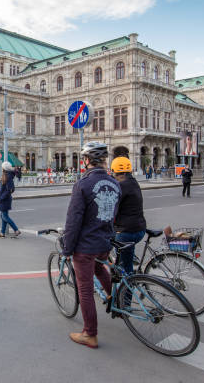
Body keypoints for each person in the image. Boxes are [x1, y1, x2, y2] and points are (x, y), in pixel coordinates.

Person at [62, 142, 121, 349]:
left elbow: (73, 220)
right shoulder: (115, 183)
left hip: (86, 245)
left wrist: (67, 249)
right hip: (105, 241)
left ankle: (90, 333)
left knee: (85, 288)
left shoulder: (82, 184)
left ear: (86, 161)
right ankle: (115, 299)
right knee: (99, 267)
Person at [111, 157, 146, 275]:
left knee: (124, 269)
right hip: (140, 230)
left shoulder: (121, 186)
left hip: (126, 232)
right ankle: (130, 262)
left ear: (115, 172)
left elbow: (111, 209)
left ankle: (126, 291)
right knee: (127, 259)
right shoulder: (133, 182)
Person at [0, 161, 21, 238]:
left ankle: (16, 230)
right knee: (3, 216)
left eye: (2, 167)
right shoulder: (6, 175)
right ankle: (2, 233)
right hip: (4, 199)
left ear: (4, 168)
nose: (1, 168)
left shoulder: (8, 176)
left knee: (4, 216)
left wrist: (2, 197)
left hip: (5, 199)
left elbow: (11, 189)